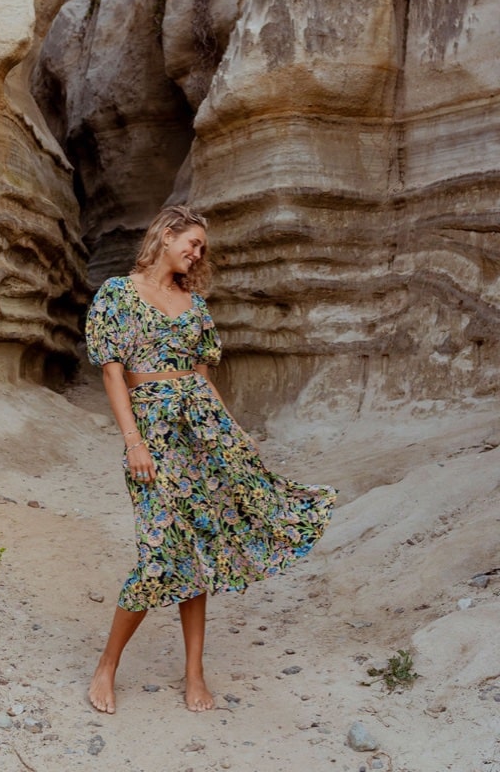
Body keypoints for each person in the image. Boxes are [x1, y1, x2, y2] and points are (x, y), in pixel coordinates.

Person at [85, 204, 335, 714]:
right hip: (153, 431)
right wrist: (133, 441)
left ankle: (194, 672)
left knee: (196, 552)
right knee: (159, 552)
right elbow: (113, 373)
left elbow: (201, 377)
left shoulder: (194, 304)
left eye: (201, 248)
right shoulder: (118, 295)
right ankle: (107, 663)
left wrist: (237, 434)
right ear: (167, 234)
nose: (196, 253)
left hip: (203, 433)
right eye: (192, 242)